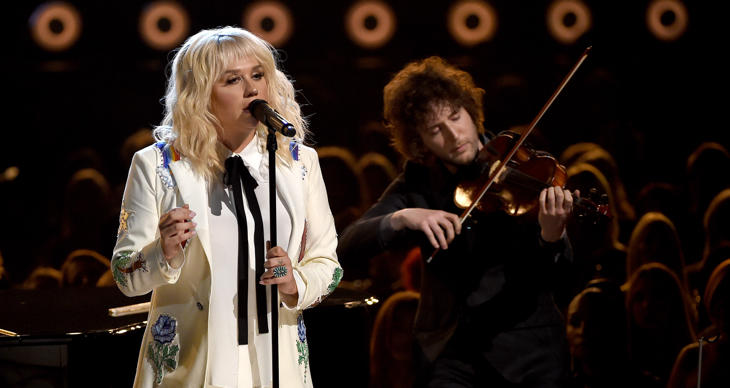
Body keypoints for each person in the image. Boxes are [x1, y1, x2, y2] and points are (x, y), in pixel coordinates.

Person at [111, 26, 341, 387]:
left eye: (258, 75)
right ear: (200, 93)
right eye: (232, 79)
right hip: (191, 364)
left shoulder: (299, 162)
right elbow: (125, 275)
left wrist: (295, 283)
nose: (252, 89)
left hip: (276, 364)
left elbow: (327, 263)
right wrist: (164, 252)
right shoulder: (158, 165)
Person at [338, 56, 575, 387]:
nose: (453, 135)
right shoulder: (417, 182)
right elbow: (348, 244)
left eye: (455, 117)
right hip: (451, 352)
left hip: (527, 352)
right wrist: (403, 217)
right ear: (420, 141)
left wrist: (551, 236)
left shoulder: (520, 169)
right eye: (436, 129)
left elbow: (562, 277)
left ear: (470, 112)